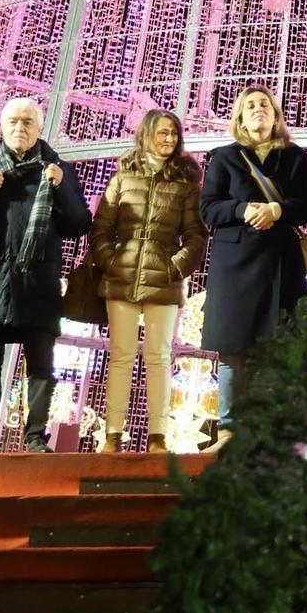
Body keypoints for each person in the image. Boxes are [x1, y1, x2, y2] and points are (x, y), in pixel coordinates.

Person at [0, 97, 92, 452]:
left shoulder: (56, 168)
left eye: (27, 122)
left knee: (41, 363)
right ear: (1, 125)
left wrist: (61, 188)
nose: (19, 128)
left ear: (40, 129)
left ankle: (35, 437)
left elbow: (79, 225)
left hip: (38, 284)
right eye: (12, 121)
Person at [199, 87, 307, 450]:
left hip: (281, 264)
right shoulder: (223, 157)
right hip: (234, 266)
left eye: (264, 104)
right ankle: (229, 430)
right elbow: (208, 209)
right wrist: (243, 210)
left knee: (278, 347)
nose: (257, 110)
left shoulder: (294, 157)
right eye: (249, 106)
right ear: (239, 117)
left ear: (275, 114)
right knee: (233, 349)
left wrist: (278, 211)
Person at [90, 109, 204, 454]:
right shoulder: (123, 177)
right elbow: (101, 228)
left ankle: (157, 436)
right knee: (121, 356)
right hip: (121, 275)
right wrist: (110, 261)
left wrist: (175, 268)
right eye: (162, 133)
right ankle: (112, 435)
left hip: (163, 277)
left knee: (159, 356)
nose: (169, 139)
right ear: (146, 134)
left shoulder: (186, 183)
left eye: (173, 133)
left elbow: (197, 235)